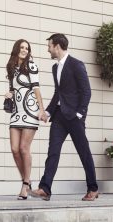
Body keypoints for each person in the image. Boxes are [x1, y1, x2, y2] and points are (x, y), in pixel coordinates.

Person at [31, 33, 99, 201]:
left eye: (49, 46)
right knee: (53, 152)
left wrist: (79, 114)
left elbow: (86, 92)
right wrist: (47, 112)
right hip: (59, 117)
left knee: (84, 153)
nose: (48, 49)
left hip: (74, 118)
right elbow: (58, 94)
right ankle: (45, 188)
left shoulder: (76, 65)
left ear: (57, 46)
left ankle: (93, 189)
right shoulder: (55, 68)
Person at [4, 39, 45, 200]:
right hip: (16, 112)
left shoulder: (31, 66)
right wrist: (10, 94)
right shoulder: (11, 67)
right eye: (21, 47)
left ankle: (25, 185)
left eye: (27, 48)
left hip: (30, 111)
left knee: (23, 148)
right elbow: (14, 89)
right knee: (14, 149)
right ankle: (26, 180)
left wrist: (41, 110)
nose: (24, 50)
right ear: (16, 49)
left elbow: (36, 89)